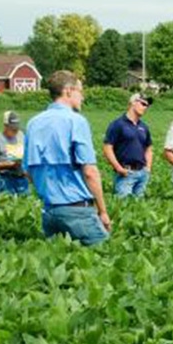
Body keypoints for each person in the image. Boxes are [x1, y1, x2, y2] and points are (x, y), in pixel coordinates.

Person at [23, 71, 110, 245]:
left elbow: (27, 170)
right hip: (77, 210)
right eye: (80, 91)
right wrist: (103, 211)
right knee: (104, 258)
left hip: (49, 212)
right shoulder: (76, 121)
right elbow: (90, 172)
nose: (83, 97)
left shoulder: (33, 123)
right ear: (68, 91)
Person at [103, 93, 154, 198]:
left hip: (142, 173)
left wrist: (147, 168)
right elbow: (107, 148)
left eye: (147, 106)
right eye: (143, 104)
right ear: (133, 103)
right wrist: (118, 168)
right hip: (126, 173)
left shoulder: (144, 126)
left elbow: (149, 148)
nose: (145, 108)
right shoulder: (118, 124)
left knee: (140, 208)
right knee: (124, 206)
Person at [0, 111, 29, 196]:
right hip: (5, 179)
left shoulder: (21, 136)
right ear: (5, 126)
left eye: (16, 128)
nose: (15, 130)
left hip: (21, 179)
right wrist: (8, 164)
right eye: (12, 128)